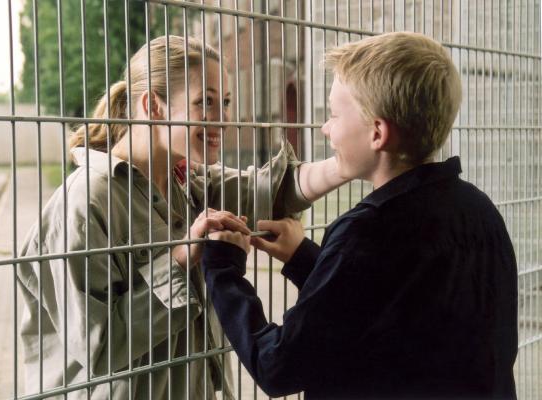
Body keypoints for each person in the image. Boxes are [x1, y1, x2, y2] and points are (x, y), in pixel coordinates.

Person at [17, 35, 348, 399]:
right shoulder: (83, 204)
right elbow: (98, 347)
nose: (223, 120)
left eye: (224, 102)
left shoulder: (188, 181)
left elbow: (271, 189)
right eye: (203, 102)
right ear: (153, 107)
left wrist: (349, 161)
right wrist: (178, 258)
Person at [202, 32, 518, 399]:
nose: (325, 128)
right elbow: (386, 307)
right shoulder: (479, 211)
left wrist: (223, 269)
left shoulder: (366, 233)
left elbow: (278, 367)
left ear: (378, 133)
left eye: (334, 115)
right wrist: (305, 258)